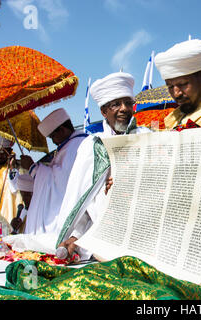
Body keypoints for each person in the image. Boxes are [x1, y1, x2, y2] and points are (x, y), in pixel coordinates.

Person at [56, 72, 151, 259]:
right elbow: (83, 200)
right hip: (102, 232)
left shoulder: (147, 137)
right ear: (103, 111)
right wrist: (77, 236)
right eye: (116, 104)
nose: (124, 109)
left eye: (128, 103)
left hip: (144, 231)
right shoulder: (92, 145)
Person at [18, 108, 87, 235]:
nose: (53, 142)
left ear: (62, 130)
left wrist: (33, 168)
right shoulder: (70, 145)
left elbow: (62, 182)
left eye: (52, 137)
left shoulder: (75, 146)